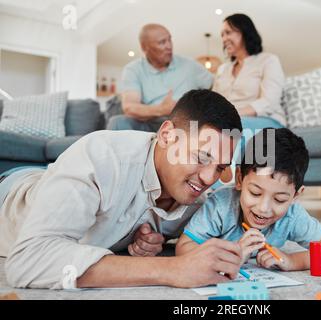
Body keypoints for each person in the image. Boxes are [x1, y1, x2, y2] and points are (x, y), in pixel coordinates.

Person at [0, 90, 244, 289]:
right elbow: (28, 261)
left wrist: (128, 239)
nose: (209, 177)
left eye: (220, 167)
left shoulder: (200, 203)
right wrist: (173, 269)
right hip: (12, 192)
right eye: (201, 157)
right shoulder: (101, 156)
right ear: (167, 135)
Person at [176, 128, 321, 270]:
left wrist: (293, 261)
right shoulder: (221, 206)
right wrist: (232, 255)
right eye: (255, 193)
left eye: (280, 199)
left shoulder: (292, 216)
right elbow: (183, 247)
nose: (264, 209)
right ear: (239, 179)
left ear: (296, 195)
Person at [212, 14, 287, 184]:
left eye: (228, 32)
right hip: (228, 120)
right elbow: (215, 102)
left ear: (244, 31)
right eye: (222, 35)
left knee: (232, 128)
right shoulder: (223, 69)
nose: (224, 38)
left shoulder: (268, 60)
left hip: (265, 119)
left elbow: (269, 100)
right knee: (199, 129)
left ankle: (221, 190)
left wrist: (232, 116)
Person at [107, 24, 213, 132]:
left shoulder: (190, 65)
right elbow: (129, 107)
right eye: (162, 42)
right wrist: (162, 109)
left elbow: (215, 86)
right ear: (144, 47)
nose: (169, 46)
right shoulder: (133, 69)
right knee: (117, 123)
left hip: (185, 124)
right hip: (150, 123)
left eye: (169, 40)